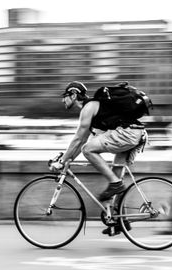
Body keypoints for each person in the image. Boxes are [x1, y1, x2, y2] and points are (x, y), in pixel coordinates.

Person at [49, 81, 147, 234]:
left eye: (65, 96)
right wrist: (68, 159)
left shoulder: (88, 108)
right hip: (135, 133)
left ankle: (115, 184)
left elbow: (79, 141)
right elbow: (81, 140)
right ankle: (119, 221)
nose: (63, 100)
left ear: (74, 95)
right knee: (114, 173)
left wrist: (61, 162)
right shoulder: (95, 108)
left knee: (90, 152)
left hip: (127, 134)